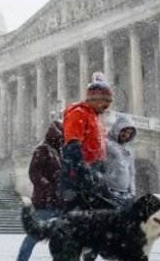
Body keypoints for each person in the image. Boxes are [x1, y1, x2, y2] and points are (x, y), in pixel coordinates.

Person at [60, 71, 115, 212]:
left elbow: (97, 149)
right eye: (105, 101)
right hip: (78, 180)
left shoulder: (95, 119)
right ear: (94, 99)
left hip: (93, 176)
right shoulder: (78, 113)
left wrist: (101, 171)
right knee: (79, 223)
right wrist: (84, 174)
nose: (108, 105)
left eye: (109, 102)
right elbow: (72, 147)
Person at [16, 120, 64, 261]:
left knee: (61, 236)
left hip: (59, 202)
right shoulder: (42, 150)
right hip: (44, 201)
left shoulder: (60, 152)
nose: (62, 140)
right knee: (34, 235)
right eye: (60, 137)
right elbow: (34, 173)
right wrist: (48, 186)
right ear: (53, 136)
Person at [103, 114, 137, 209]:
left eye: (129, 133)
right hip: (108, 192)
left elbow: (131, 173)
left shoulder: (129, 151)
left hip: (124, 194)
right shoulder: (105, 143)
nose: (126, 135)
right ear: (117, 128)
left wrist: (132, 192)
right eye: (124, 131)